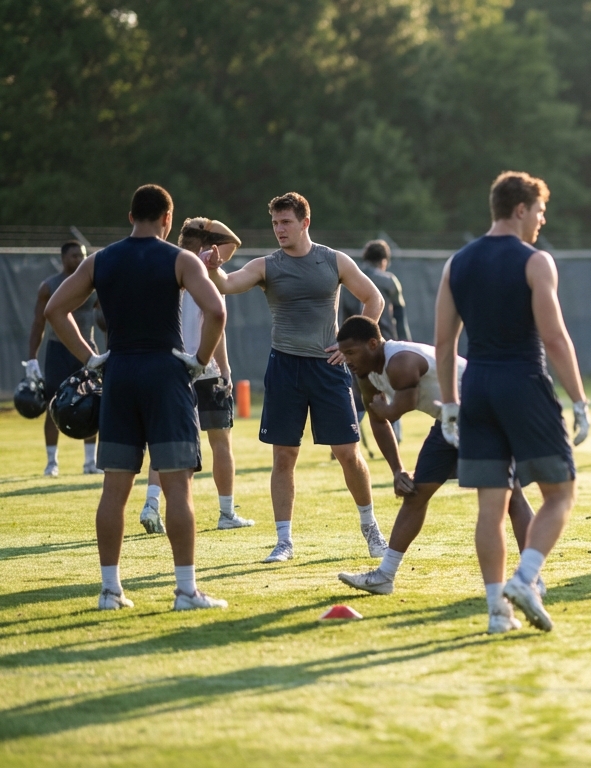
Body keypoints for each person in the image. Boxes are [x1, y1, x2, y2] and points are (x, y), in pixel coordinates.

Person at [44, 184, 228, 611]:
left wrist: (92, 360)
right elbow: (217, 311)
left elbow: (56, 309)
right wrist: (199, 360)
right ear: (168, 219)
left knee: (114, 488)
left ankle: (109, 591)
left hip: (120, 374)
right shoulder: (180, 259)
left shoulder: (100, 260)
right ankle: (185, 592)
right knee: (178, 489)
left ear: (130, 216)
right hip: (167, 375)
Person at [436, 170, 590, 634]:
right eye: (540, 211)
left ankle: (497, 613)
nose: (542, 221)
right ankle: (524, 580)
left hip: (476, 386)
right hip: (523, 383)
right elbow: (555, 338)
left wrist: (448, 403)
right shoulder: (536, 261)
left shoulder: (455, 263)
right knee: (560, 493)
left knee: (491, 506)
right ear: (520, 208)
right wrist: (580, 399)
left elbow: (444, 345)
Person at [202, 192, 385, 563]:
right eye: (274, 223)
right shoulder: (267, 265)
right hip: (284, 368)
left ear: (305, 222)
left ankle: (372, 531)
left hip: (328, 368)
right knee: (284, 456)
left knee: (348, 454)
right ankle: (284, 541)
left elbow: (373, 298)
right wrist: (211, 268)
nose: (279, 230)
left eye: (285, 222)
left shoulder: (333, 260)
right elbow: (227, 284)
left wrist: (350, 347)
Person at [333, 316, 542, 596]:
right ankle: (385, 575)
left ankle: (532, 578)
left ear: (373, 344)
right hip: (449, 417)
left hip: (485, 409)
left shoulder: (400, 361)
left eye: (350, 352)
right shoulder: (365, 372)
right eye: (343, 353)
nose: (346, 360)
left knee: (510, 496)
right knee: (416, 493)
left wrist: (387, 412)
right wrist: (397, 470)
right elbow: (378, 420)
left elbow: (400, 405)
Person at [139, 218, 255, 535]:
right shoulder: (202, 264)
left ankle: (151, 503)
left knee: (165, 440)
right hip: (204, 365)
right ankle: (227, 512)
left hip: (172, 365)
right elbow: (234, 241)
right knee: (221, 442)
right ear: (207, 245)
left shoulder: (165, 263)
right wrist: (225, 368)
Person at [25, 241, 103, 476]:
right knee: (53, 404)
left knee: (92, 403)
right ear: (62, 258)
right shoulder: (49, 286)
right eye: (73, 256)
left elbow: (104, 318)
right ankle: (52, 462)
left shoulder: (94, 285)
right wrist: (32, 359)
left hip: (88, 349)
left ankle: (90, 462)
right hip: (58, 350)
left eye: (82, 255)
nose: (79, 260)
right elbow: (39, 323)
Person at [340, 239, 409, 447]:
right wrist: (406, 344)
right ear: (384, 260)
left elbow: (344, 318)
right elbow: (400, 315)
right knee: (392, 389)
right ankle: (395, 435)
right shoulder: (389, 280)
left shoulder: (349, 282)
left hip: (355, 348)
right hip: (383, 346)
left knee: (359, 392)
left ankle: (346, 434)